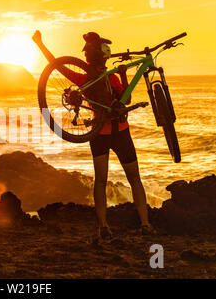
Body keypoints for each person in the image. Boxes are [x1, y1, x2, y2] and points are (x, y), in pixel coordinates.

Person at [32, 30, 154, 239]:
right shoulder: (113, 77)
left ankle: (103, 226)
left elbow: (57, 65)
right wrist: (124, 74)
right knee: (134, 178)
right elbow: (126, 99)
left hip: (98, 135)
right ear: (104, 58)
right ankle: (145, 224)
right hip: (120, 132)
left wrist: (40, 44)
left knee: (101, 180)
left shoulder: (83, 79)